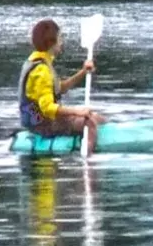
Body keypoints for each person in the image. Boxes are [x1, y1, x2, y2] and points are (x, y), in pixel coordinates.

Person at [20, 18, 105, 155]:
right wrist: (77, 112)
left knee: (98, 118)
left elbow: (60, 88)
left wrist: (83, 72)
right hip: (41, 124)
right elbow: (47, 108)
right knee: (89, 122)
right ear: (51, 42)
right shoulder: (41, 70)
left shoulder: (41, 62)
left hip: (43, 120)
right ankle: (88, 161)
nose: (61, 42)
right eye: (59, 38)